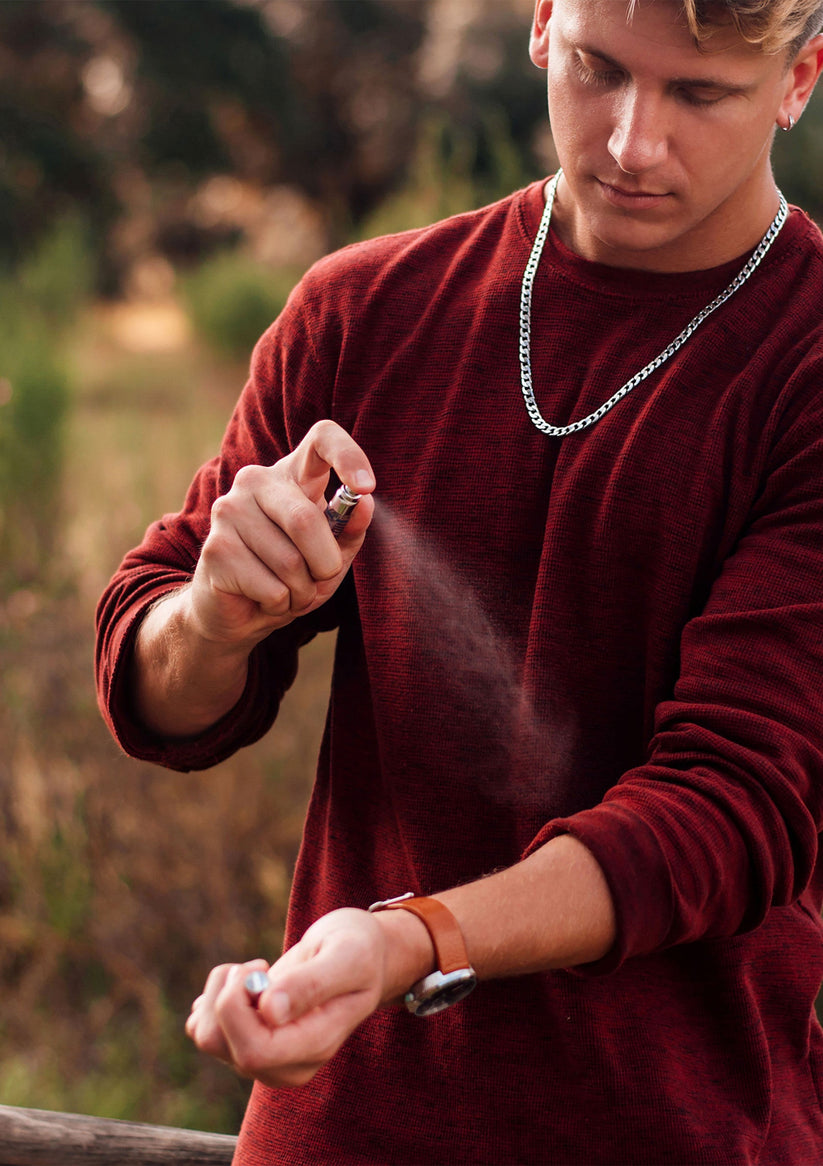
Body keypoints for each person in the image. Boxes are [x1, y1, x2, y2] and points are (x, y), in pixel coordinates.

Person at [96, 0, 823, 1161]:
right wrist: (215, 616)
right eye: (597, 68)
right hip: (337, 1128)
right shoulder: (364, 306)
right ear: (540, 24)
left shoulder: (802, 363)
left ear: (797, 81)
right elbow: (153, 695)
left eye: (699, 94)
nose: (631, 142)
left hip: (671, 1132)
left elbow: (733, 804)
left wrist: (405, 944)